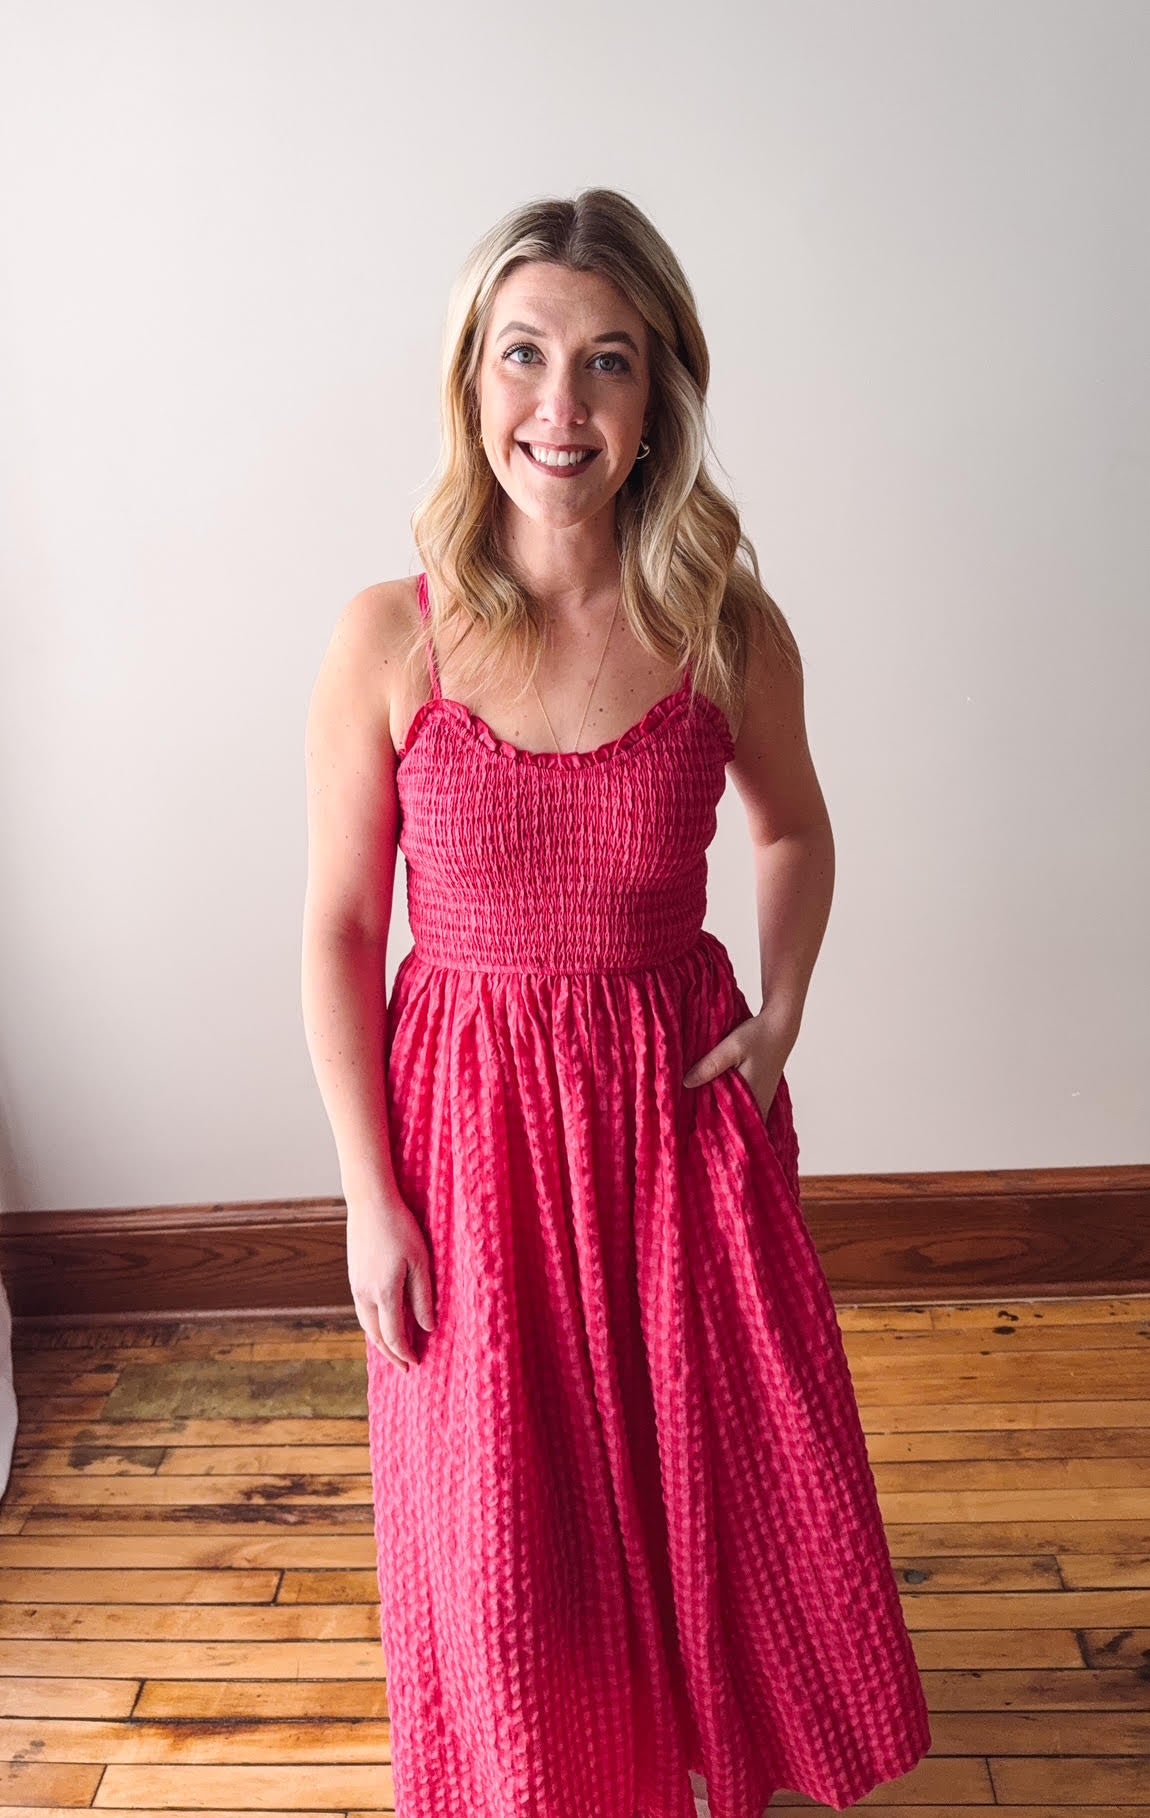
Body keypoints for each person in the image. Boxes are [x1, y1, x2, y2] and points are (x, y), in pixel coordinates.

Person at [301, 188, 931, 1818]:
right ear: (470, 379)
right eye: (521, 357)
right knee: (510, 1516)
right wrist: (371, 1196)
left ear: (660, 397)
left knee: (709, 1480)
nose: (557, 409)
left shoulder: (722, 626)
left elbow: (793, 829)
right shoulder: (392, 638)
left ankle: (709, 1754)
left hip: (669, 1115)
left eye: (606, 363)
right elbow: (340, 925)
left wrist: (777, 1015)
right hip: (471, 1134)